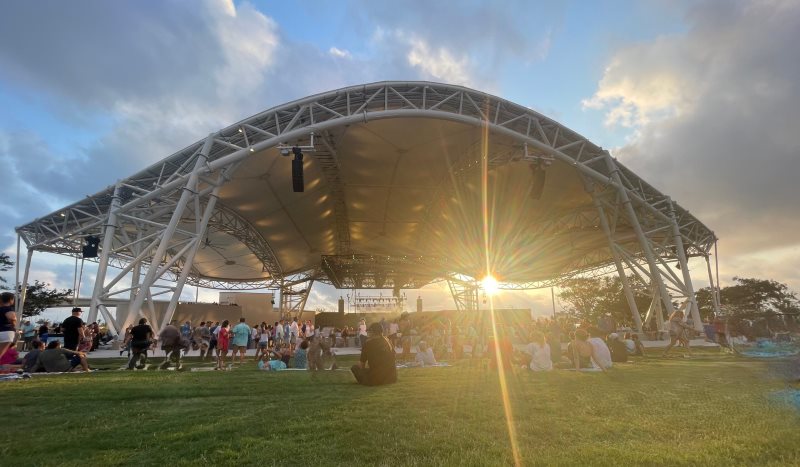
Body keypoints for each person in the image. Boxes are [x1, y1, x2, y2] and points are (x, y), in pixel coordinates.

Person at [0, 292, 17, 360]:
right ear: (10, 300)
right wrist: (14, 323)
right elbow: (11, 318)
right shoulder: (8, 309)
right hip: (6, 332)